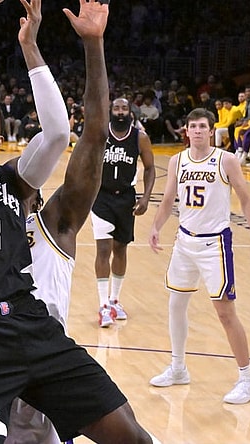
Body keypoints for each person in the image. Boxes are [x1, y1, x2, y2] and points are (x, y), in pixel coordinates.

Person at [0, 0, 152, 442]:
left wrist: (90, 44)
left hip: (34, 330)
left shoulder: (25, 193)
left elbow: (67, 132)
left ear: (4, 139)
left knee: (132, 436)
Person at [148, 107, 250, 405]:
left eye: (202, 126)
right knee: (176, 304)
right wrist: (156, 227)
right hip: (184, 241)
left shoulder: (224, 160)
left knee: (226, 313)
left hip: (215, 244)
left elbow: (246, 198)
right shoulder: (177, 161)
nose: (197, 131)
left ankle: (248, 380)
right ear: (186, 131)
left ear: (211, 131)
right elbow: (168, 199)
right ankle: (178, 368)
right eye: (193, 126)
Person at [91, 97, 155, 327]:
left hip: (126, 198)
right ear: (110, 111)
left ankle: (115, 299)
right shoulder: (101, 135)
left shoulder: (140, 138)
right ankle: (103, 305)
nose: (120, 112)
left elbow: (149, 168)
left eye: (124, 108)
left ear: (130, 112)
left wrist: (146, 197)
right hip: (101, 197)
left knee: (120, 248)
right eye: (116, 108)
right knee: (103, 248)